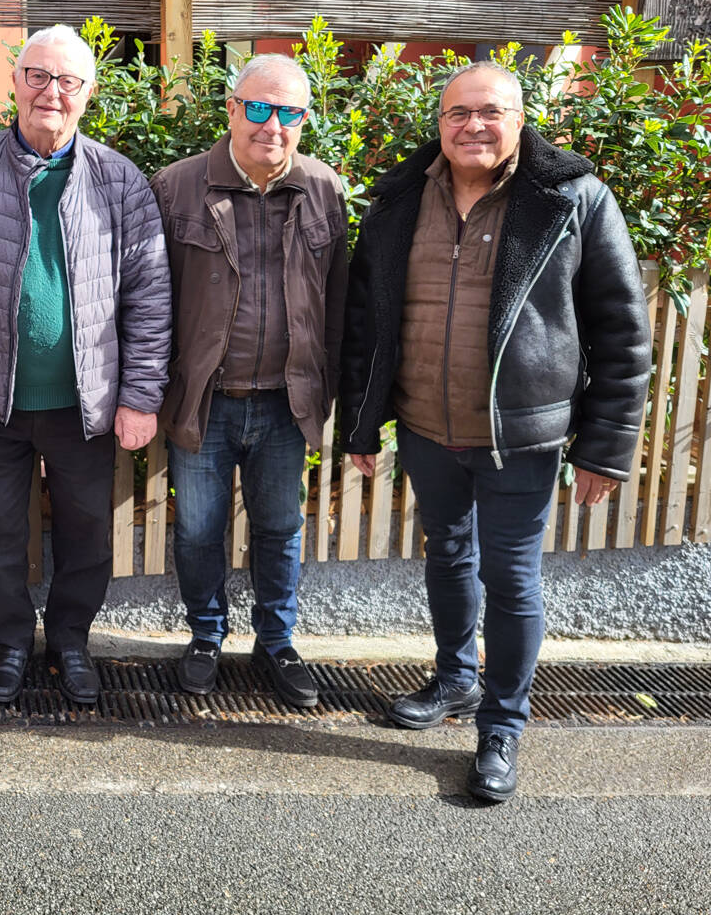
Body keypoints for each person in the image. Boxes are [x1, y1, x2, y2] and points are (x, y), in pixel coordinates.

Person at [339, 61, 652, 801]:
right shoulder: (397, 201)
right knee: (445, 556)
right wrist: (361, 422)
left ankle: (501, 724)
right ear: (438, 123)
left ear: (519, 119)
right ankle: (454, 679)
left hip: (521, 436)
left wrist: (604, 444)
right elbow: (365, 324)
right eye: (457, 113)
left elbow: (621, 327)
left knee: (509, 579)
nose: (473, 125)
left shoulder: (570, 199)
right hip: (422, 425)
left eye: (490, 112)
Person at [0, 24, 171, 706]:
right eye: (37, 75)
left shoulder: (119, 180)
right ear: (15, 81)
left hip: (84, 403)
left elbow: (149, 294)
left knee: (87, 533)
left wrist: (140, 395)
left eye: (67, 81)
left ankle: (69, 641)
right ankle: (8, 643)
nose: (50, 92)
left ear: (87, 93)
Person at [150, 54, 347, 708]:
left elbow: (342, 302)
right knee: (197, 530)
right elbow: (148, 302)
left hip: (284, 405)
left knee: (278, 527)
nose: (272, 125)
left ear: (304, 119)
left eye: (288, 112)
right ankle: (205, 635)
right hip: (201, 402)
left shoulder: (325, 190)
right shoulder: (175, 188)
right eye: (258, 108)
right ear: (231, 110)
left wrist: (338, 398)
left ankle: (276, 641)